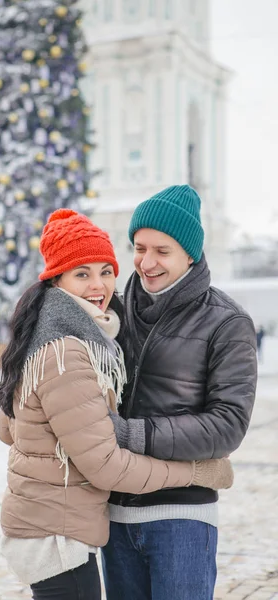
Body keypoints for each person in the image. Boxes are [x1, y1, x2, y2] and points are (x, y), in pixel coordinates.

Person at [0, 208, 233, 600]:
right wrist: (195, 472)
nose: (99, 286)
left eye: (106, 271)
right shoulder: (68, 351)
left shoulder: (44, 332)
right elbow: (106, 466)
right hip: (57, 539)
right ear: (57, 278)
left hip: (44, 529)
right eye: (82, 273)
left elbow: (9, 429)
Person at [103, 185, 258, 600]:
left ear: (190, 254)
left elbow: (228, 425)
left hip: (182, 518)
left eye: (162, 251)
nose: (146, 262)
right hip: (113, 520)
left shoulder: (226, 323)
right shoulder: (110, 315)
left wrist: (136, 434)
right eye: (139, 247)